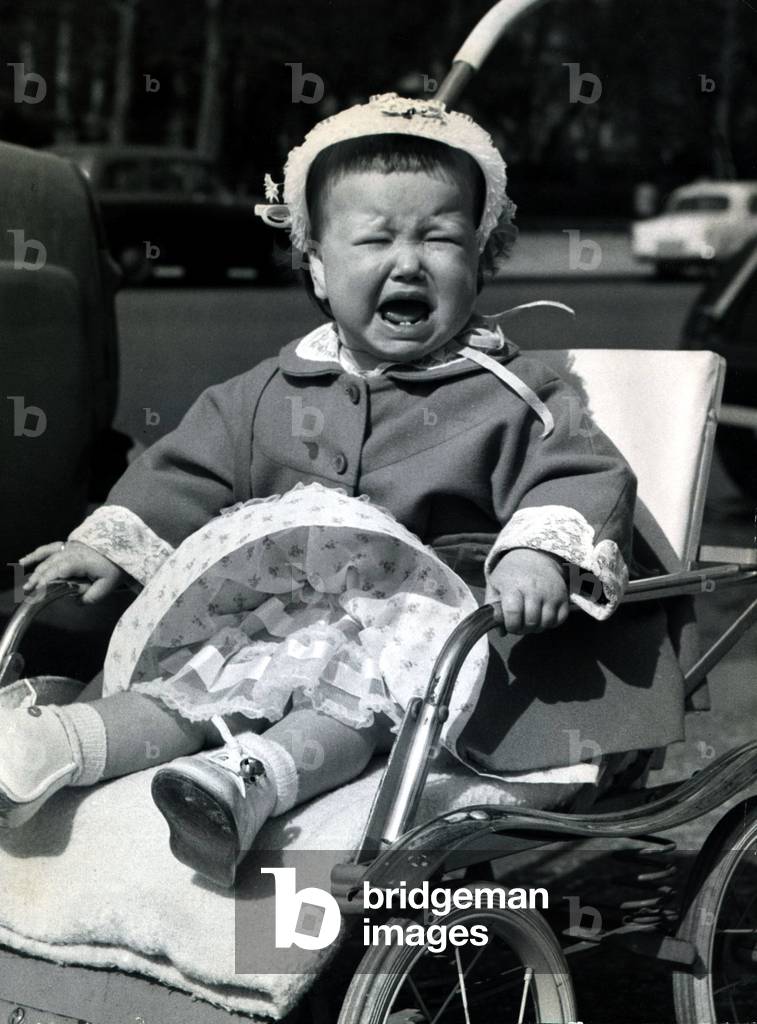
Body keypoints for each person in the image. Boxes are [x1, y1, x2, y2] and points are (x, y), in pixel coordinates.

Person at [2, 93, 664, 889]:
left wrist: (535, 554)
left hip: (412, 644)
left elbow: (577, 473)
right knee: (191, 684)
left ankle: (249, 783)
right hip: (273, 619)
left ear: (482, 258)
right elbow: (184, 472)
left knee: (349, 708)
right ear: (315, 261)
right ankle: (56, 746)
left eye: (441, 239)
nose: (408, 261)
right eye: (374, 239)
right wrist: (106, 544)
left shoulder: (514, 393)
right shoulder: (267, 389)